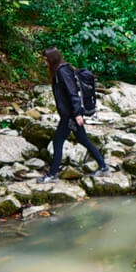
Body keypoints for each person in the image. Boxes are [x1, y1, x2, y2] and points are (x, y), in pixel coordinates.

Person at [41, 47, 110, 181]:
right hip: (70, 114)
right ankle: (103, 167)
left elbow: (73, 93)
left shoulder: (62, 71)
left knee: (58, 142)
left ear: (52, 59)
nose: (45, 63)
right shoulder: (61, 70)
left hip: (70, 115)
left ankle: (52, 175)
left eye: (46, 60)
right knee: (83, 140)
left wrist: (77, 114)